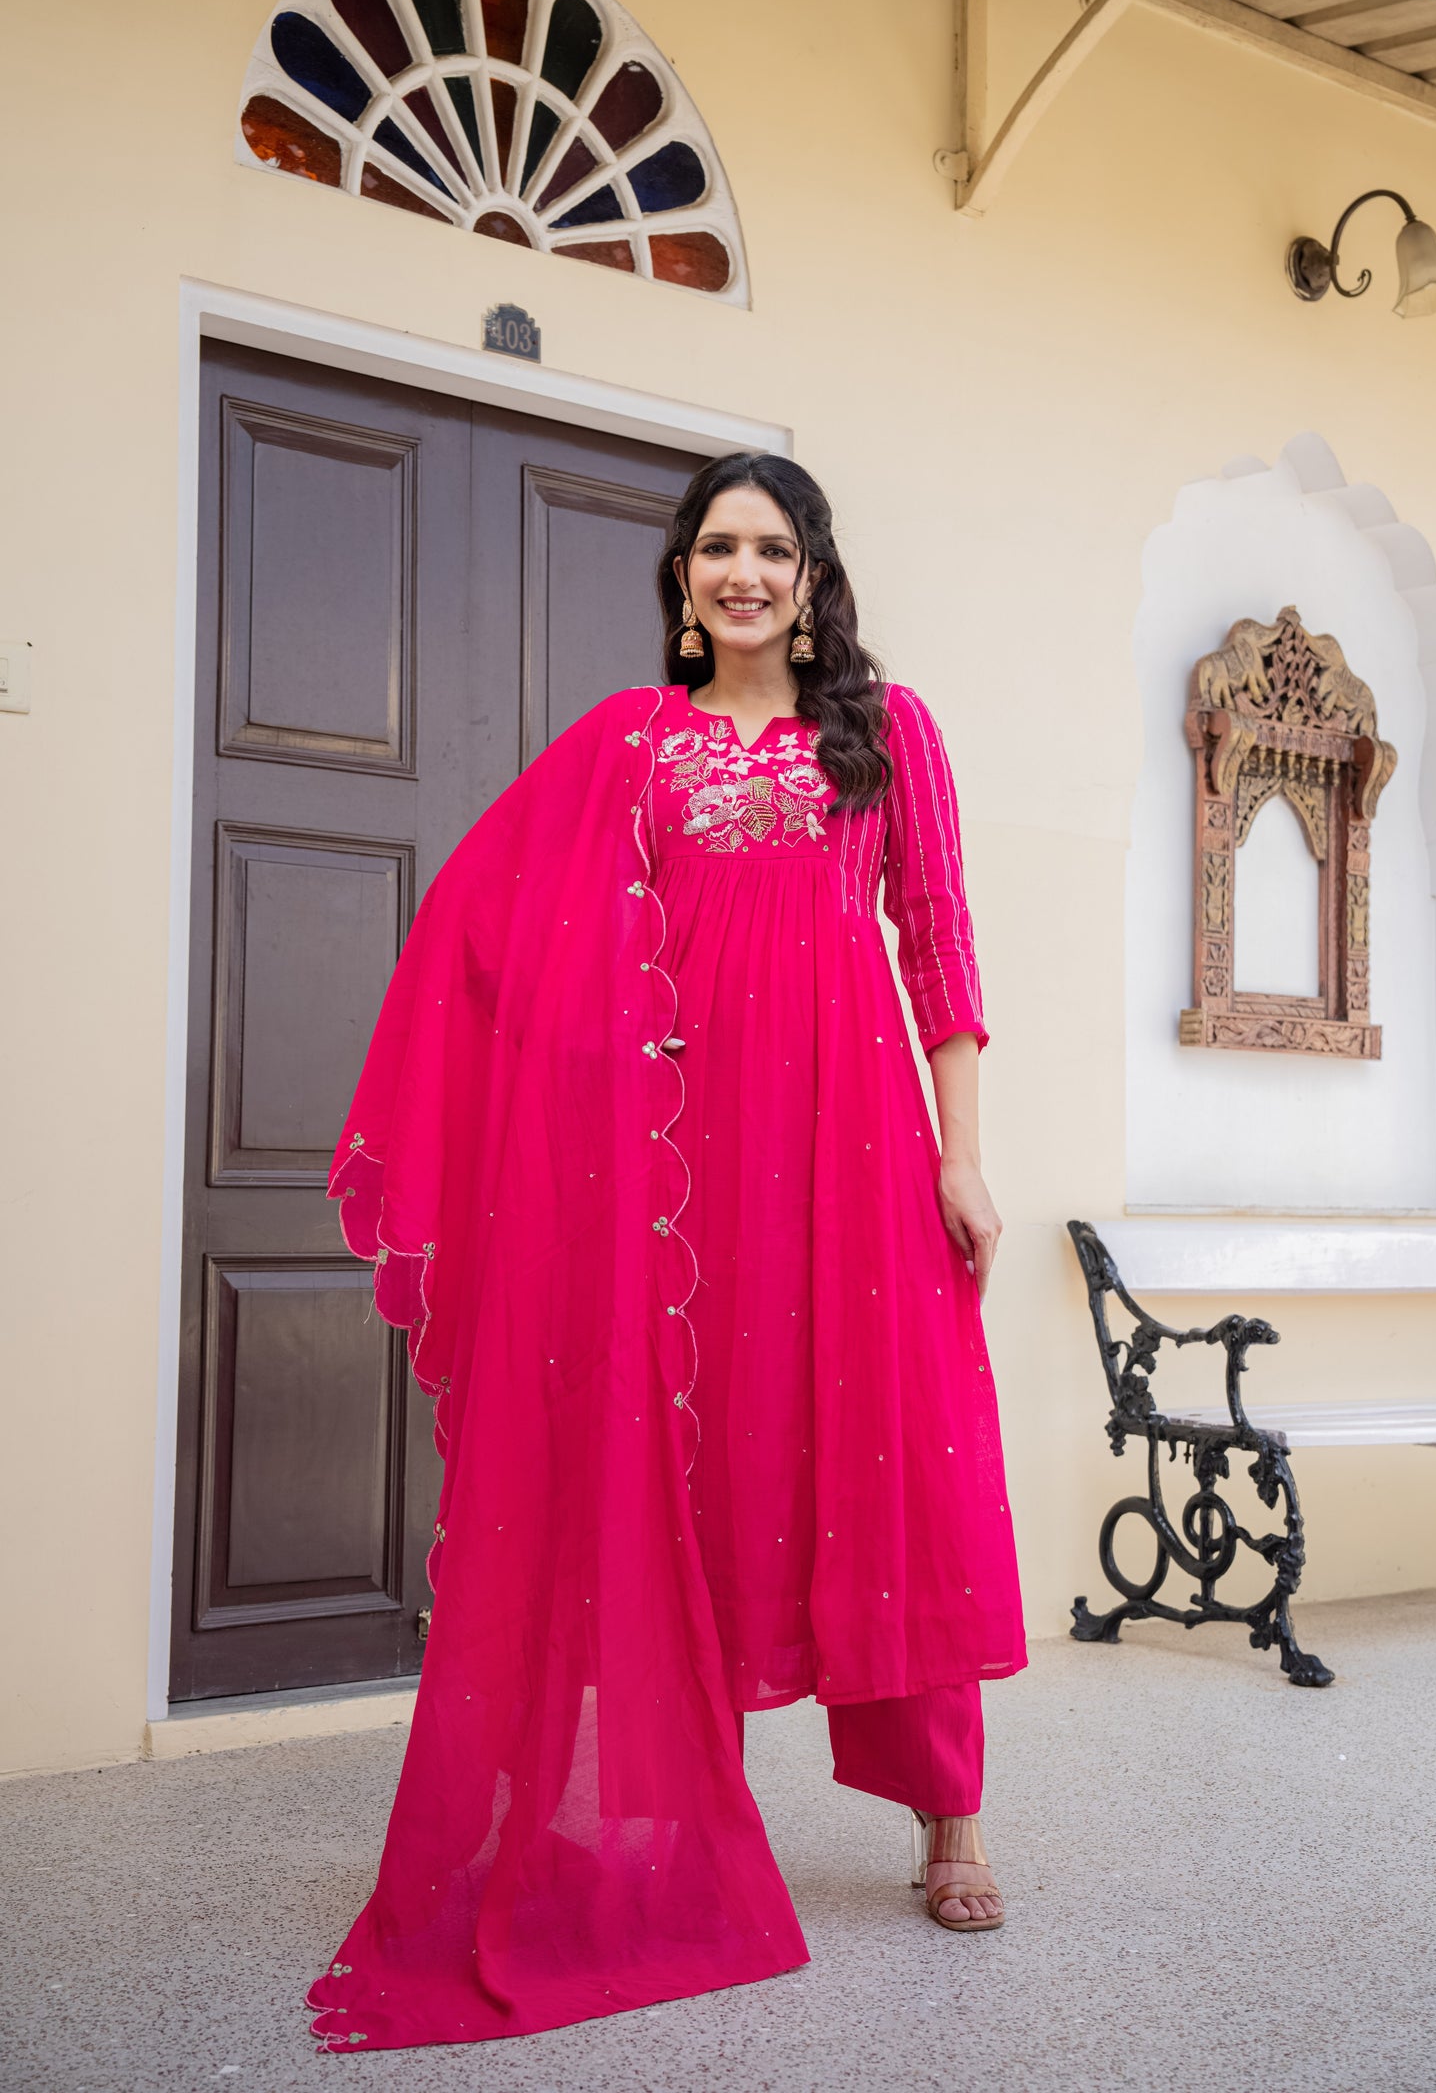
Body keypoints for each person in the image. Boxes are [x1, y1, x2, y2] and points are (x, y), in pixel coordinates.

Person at [309, 454, 1025, 2057]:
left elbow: (936, 939)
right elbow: (495, 924)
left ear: (811, 574)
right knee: (681, 1467)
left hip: (853, 1141)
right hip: (677, 1164)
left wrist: (961, 1152)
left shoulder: (887, 732)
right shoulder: (630, 744)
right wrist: (557, 1110)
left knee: (890, 1454)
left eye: (771, 547)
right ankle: (670, 1817)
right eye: (716, 548)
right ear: (684, 579)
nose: (742, 572)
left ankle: (950, 1815)